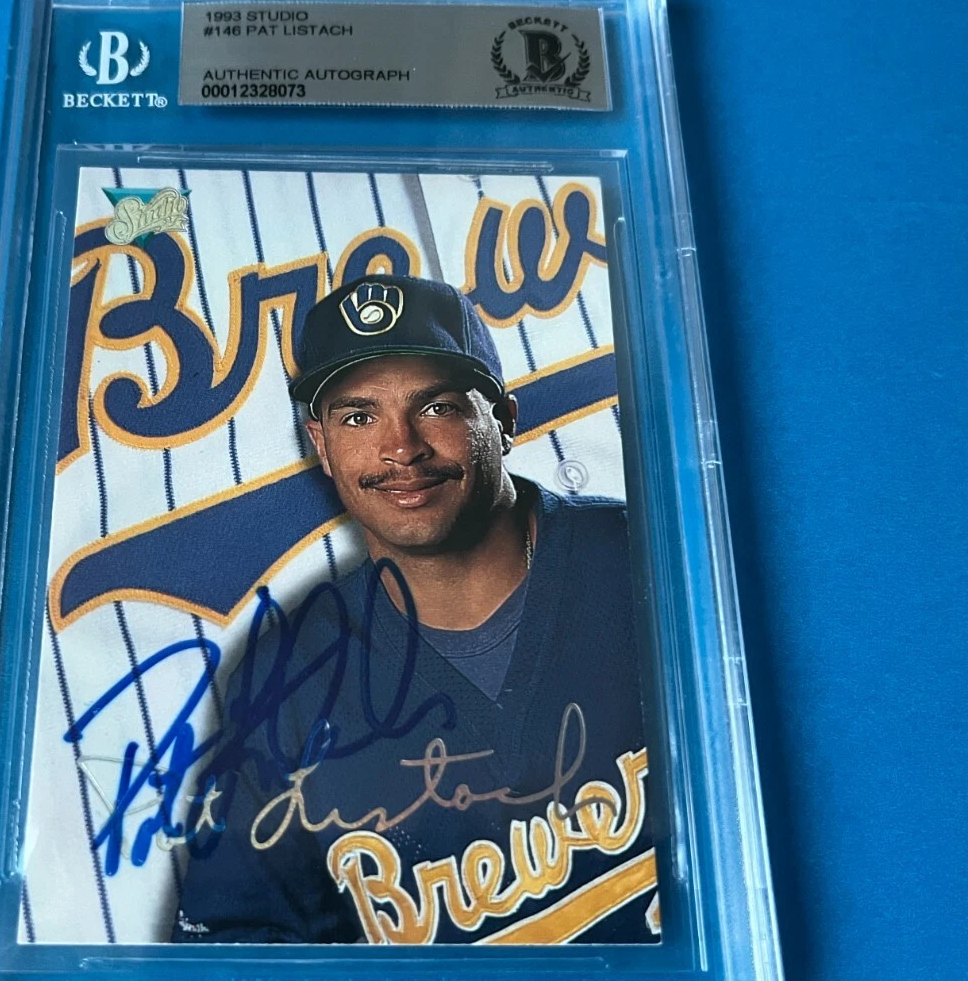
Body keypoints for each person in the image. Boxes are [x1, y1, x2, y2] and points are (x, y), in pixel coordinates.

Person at [171, 275, 658, 945]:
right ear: (321, 444)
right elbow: (236, 948)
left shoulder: (651, 561)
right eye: (358, 417)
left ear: (504, 420)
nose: (401, 448)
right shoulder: (287, 677)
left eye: (437, 407)